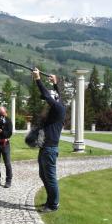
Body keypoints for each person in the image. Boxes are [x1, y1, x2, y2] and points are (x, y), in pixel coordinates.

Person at [32, 68, 66, 213]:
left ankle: (54, 205)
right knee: (43, 174)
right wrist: (55, 83)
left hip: (50, 148)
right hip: (45, 147)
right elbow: (55, 95)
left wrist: (38, 79)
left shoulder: (59, 108)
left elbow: (47, 96)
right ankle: (50, 200)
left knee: (50, 177)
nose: (47, 103)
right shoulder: (58, 106)